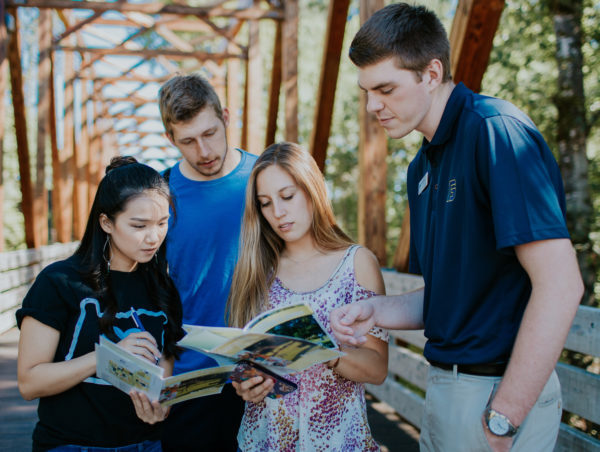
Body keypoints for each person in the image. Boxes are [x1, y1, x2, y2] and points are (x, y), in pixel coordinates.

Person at [330, 4, 584, 452]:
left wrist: (505, 416)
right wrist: (378, 312)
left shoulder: (496, 132)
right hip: (444, 389)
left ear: (431, 73)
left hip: (495, 394)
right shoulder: (420, 166)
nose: (373, 106)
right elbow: (453, 293)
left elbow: (561, 285)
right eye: (367, 91)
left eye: (386, 88)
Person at [227, 142, 389, 451]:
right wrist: (246, 384)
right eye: (265, 203)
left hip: (339, 441)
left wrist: (320, 351)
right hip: (266, 441)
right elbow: (245, 364)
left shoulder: (356, 263)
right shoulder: (256, 271)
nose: (278, 213)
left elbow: (377, 368)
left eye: (287, 196)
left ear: (311, 189)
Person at [16, 156, 185, 452]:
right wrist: (107, 357)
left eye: (162, 223)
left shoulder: (163, 289)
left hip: (144, 444)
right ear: (106, 222)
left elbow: (164, 376)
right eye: (139, 225)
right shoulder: (59, 282)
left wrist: (161, 406)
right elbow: (30, 383)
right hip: (69, 445)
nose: (154, 237)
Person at [157, 73, 257, 451]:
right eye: (188, 141)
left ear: (226, 117)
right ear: (170, 139)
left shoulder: (264, 178)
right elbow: (150, 287)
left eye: (210, 133)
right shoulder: (161, 193)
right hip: (190, 376)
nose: (204, 150)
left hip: (261, 369)